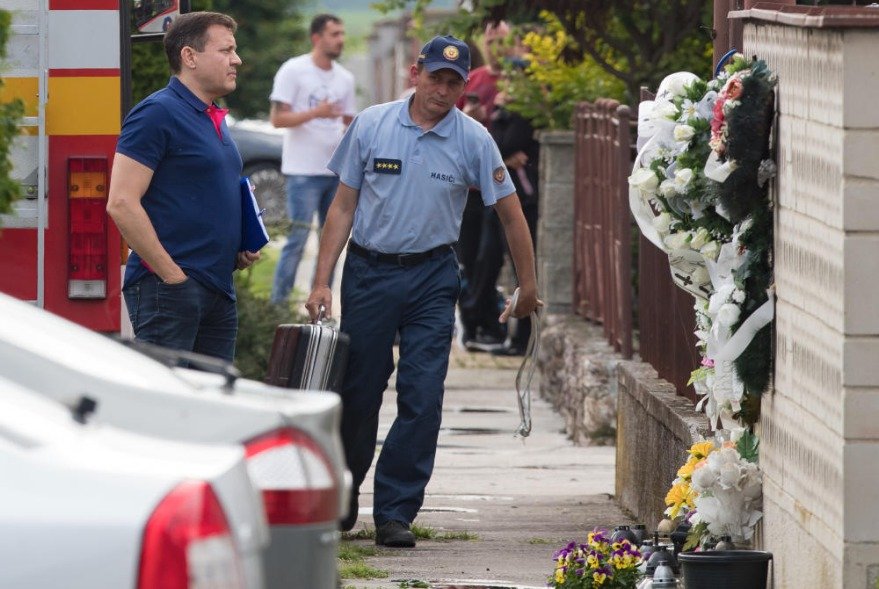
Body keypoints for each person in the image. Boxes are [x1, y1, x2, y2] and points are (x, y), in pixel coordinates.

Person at [304, 35, 541, 548]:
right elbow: (342, 206)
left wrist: (528, 283)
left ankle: (395, 510)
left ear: (464, 86)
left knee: (423, 394)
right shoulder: (372, 124)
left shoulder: (474, 138)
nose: (443, 89)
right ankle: (343, 496)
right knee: (359, 391)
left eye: (455, 82)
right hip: (369, 273)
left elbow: (510, 212)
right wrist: (322, 280)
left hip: (433, 276)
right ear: (416, 72)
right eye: (436, 77)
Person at [107, 11, 258, 362]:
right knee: (168, 409)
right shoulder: (157, 113)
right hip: (171, 291)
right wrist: (173, 277)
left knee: (212, 408)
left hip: (218, 287)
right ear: (189, 56)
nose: (237, 60)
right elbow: (121, 203)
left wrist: (238, 246)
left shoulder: (212, 116)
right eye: (226, 50)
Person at [268, 14, 356, 306]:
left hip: (335, 172)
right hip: (302, 171)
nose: (340, 39)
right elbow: (278, 118)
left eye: (342, 33)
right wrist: (315, 113)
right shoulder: (293, 70)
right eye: (334, 34)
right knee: (297, 240)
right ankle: (277, 307)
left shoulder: (345, 78)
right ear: (316, 38)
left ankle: (320, 306)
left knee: (330, 243)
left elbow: (347, 121)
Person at [455, 21, 516, 349]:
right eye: (490, 39)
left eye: (501, 40)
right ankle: (471, 325)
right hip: (469, 188)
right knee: (466, 259)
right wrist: (469, 113)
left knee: (489, 259)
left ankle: (484, 321)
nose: (495, 46)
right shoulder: (474, 79)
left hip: (501, 186)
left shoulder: (520, 84)